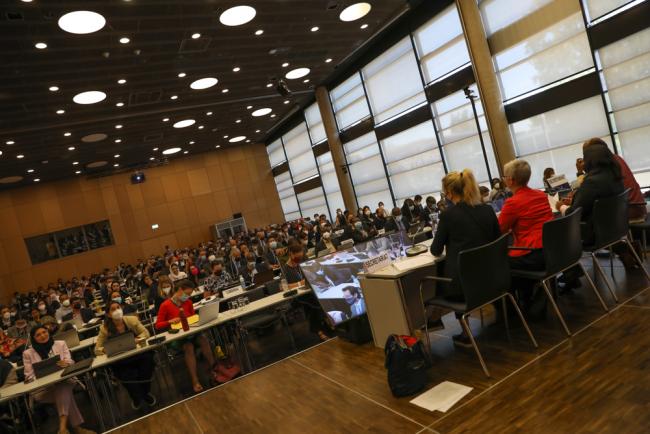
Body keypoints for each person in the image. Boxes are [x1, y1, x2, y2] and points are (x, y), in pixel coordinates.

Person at [430, 169, 501, 347]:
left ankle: (441, 323)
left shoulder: (448, 216)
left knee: (440, 275)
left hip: (465, 288)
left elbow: (435, 250)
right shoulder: (487, 210)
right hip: (493, 279)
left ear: (449, 192)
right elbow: (497, 240)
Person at [499, 160, 554, 313]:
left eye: (504, 176)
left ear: (510, 180)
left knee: (498, 265)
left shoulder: (512, 203)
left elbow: (499, 230)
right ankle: (529, 297)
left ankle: (513, 311)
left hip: (533, 255)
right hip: (552, 250)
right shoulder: (540, 195)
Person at [23, 325, 95, 434]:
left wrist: (66, 363)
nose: (43, 336)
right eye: (38, 335)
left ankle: (62, 428)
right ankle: (76, 429)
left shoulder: (60, 344)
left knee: (62, 387)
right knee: (64, 393)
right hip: (43, 390)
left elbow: (71, 362)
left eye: (44, 332)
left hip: (65, 380)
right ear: (33, 338)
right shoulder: (27, 353)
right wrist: (40, 376)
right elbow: (29, 376)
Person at [558, 140, 624, 246]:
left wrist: (561, 207)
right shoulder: (615, 175)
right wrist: (576, 200)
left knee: (555, 228)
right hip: (615, 227)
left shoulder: (592, 182)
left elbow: (574, 214)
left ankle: (569, 262)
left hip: (594, 235)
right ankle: (623, 249)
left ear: (590, 160)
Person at [155, 280, 216, 393]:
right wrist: (170, 321)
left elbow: (192, 317)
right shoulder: (165, 305)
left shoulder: (187, 302)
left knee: (203, 340)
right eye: (186, 294)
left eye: (189, 295)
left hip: (191, 332)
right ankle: (195, 380)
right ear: (179, 290)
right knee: (188, 346)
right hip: (177, 337)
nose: (187, 297)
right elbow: (158, 325)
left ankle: (214, 369)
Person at [95, 301, 155, 410]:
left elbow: (146, 333)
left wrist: (136, 340)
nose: (117, 310)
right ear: (108, 314)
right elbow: (97, 349)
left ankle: (145, 393)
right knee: (126, 374)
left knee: (147, 362)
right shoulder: (104, 329)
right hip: (120, 359)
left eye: (118, 307)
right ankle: (137, 398)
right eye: (113, 309)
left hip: (137, 354)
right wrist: (107, 348)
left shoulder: (132, 320)